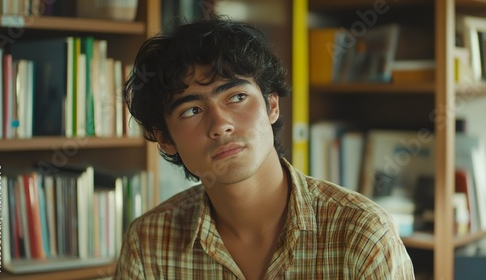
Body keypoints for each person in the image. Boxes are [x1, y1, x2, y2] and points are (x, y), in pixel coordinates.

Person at [114, 16, 415, 279]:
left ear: (272, 105)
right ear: (165, 139)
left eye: (236, 97)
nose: (220, 125)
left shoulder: (362, 234)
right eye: (191, 110)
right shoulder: (149, 242)